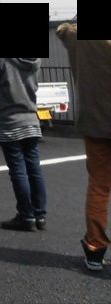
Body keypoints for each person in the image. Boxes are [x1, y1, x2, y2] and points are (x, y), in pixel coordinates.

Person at [56, 21, 111, 272]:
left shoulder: (77, 38)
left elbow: (62, 30)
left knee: (99, 186)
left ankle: (95, 249)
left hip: (95, 122)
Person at [0, 57, 47, 231]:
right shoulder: (36, 59)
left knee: (18, 170)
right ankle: (40, 215)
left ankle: (26, 216)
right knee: (34, 169)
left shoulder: (2, 60)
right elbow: (34, 86)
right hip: (31, 120)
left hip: (10, 121)